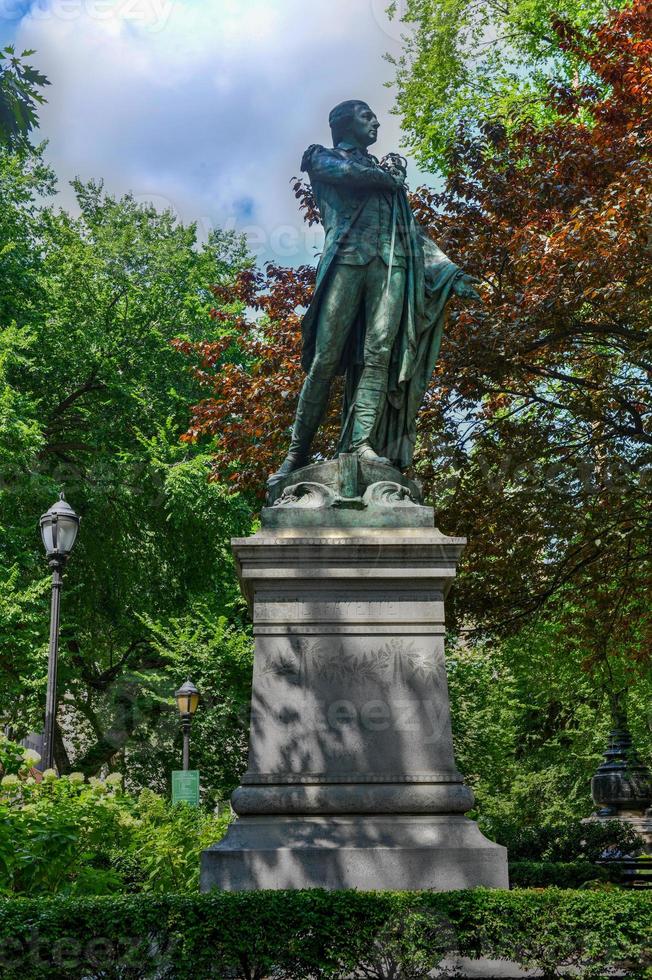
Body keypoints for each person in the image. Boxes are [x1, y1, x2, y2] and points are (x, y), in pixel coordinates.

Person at [269, 99, 480, 486]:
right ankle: (295, 454)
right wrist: (389, 176)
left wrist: (449, 271)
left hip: (391, 266)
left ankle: (361, 442)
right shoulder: (322, 158)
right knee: (325, 359)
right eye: (367, 116)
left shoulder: (388, 180)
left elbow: (410, 233)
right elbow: (345, 173)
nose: (376, 122)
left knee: (379, 355)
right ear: (344, 124)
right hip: (347, 262)